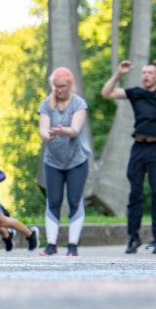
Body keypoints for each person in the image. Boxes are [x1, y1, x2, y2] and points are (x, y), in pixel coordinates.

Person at [102, 59, 156, 254]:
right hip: (138, 148)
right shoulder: (136, 93)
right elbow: (106, 93)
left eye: (150, 73)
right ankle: (133, 238)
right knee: (135, 194)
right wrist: (119, 74)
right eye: (143, 73)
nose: (146, 76)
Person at [38, 67, 92, 256]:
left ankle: (72, 245)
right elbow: (43, 128)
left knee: (74, 200)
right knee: (53, 201)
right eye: (56, 86)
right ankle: (51, 245)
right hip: (53, 161)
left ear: (70, 85)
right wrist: (49, 134)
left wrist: (61, 130)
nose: (59, 89)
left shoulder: (79, 103)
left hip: (77, 160)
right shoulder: (47, 104)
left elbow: (75, 130)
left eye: (63, 86)